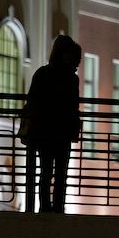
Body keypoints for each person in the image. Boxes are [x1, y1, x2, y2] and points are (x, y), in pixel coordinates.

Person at [23, 34, 82, 213]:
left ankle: (44, 207)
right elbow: (73, 106)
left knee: (45, 172)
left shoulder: (43, 73)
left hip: (44, 131)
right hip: (61, 132)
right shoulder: (72, 79)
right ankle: (58, 207)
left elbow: (32, 101)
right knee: (60, 173)